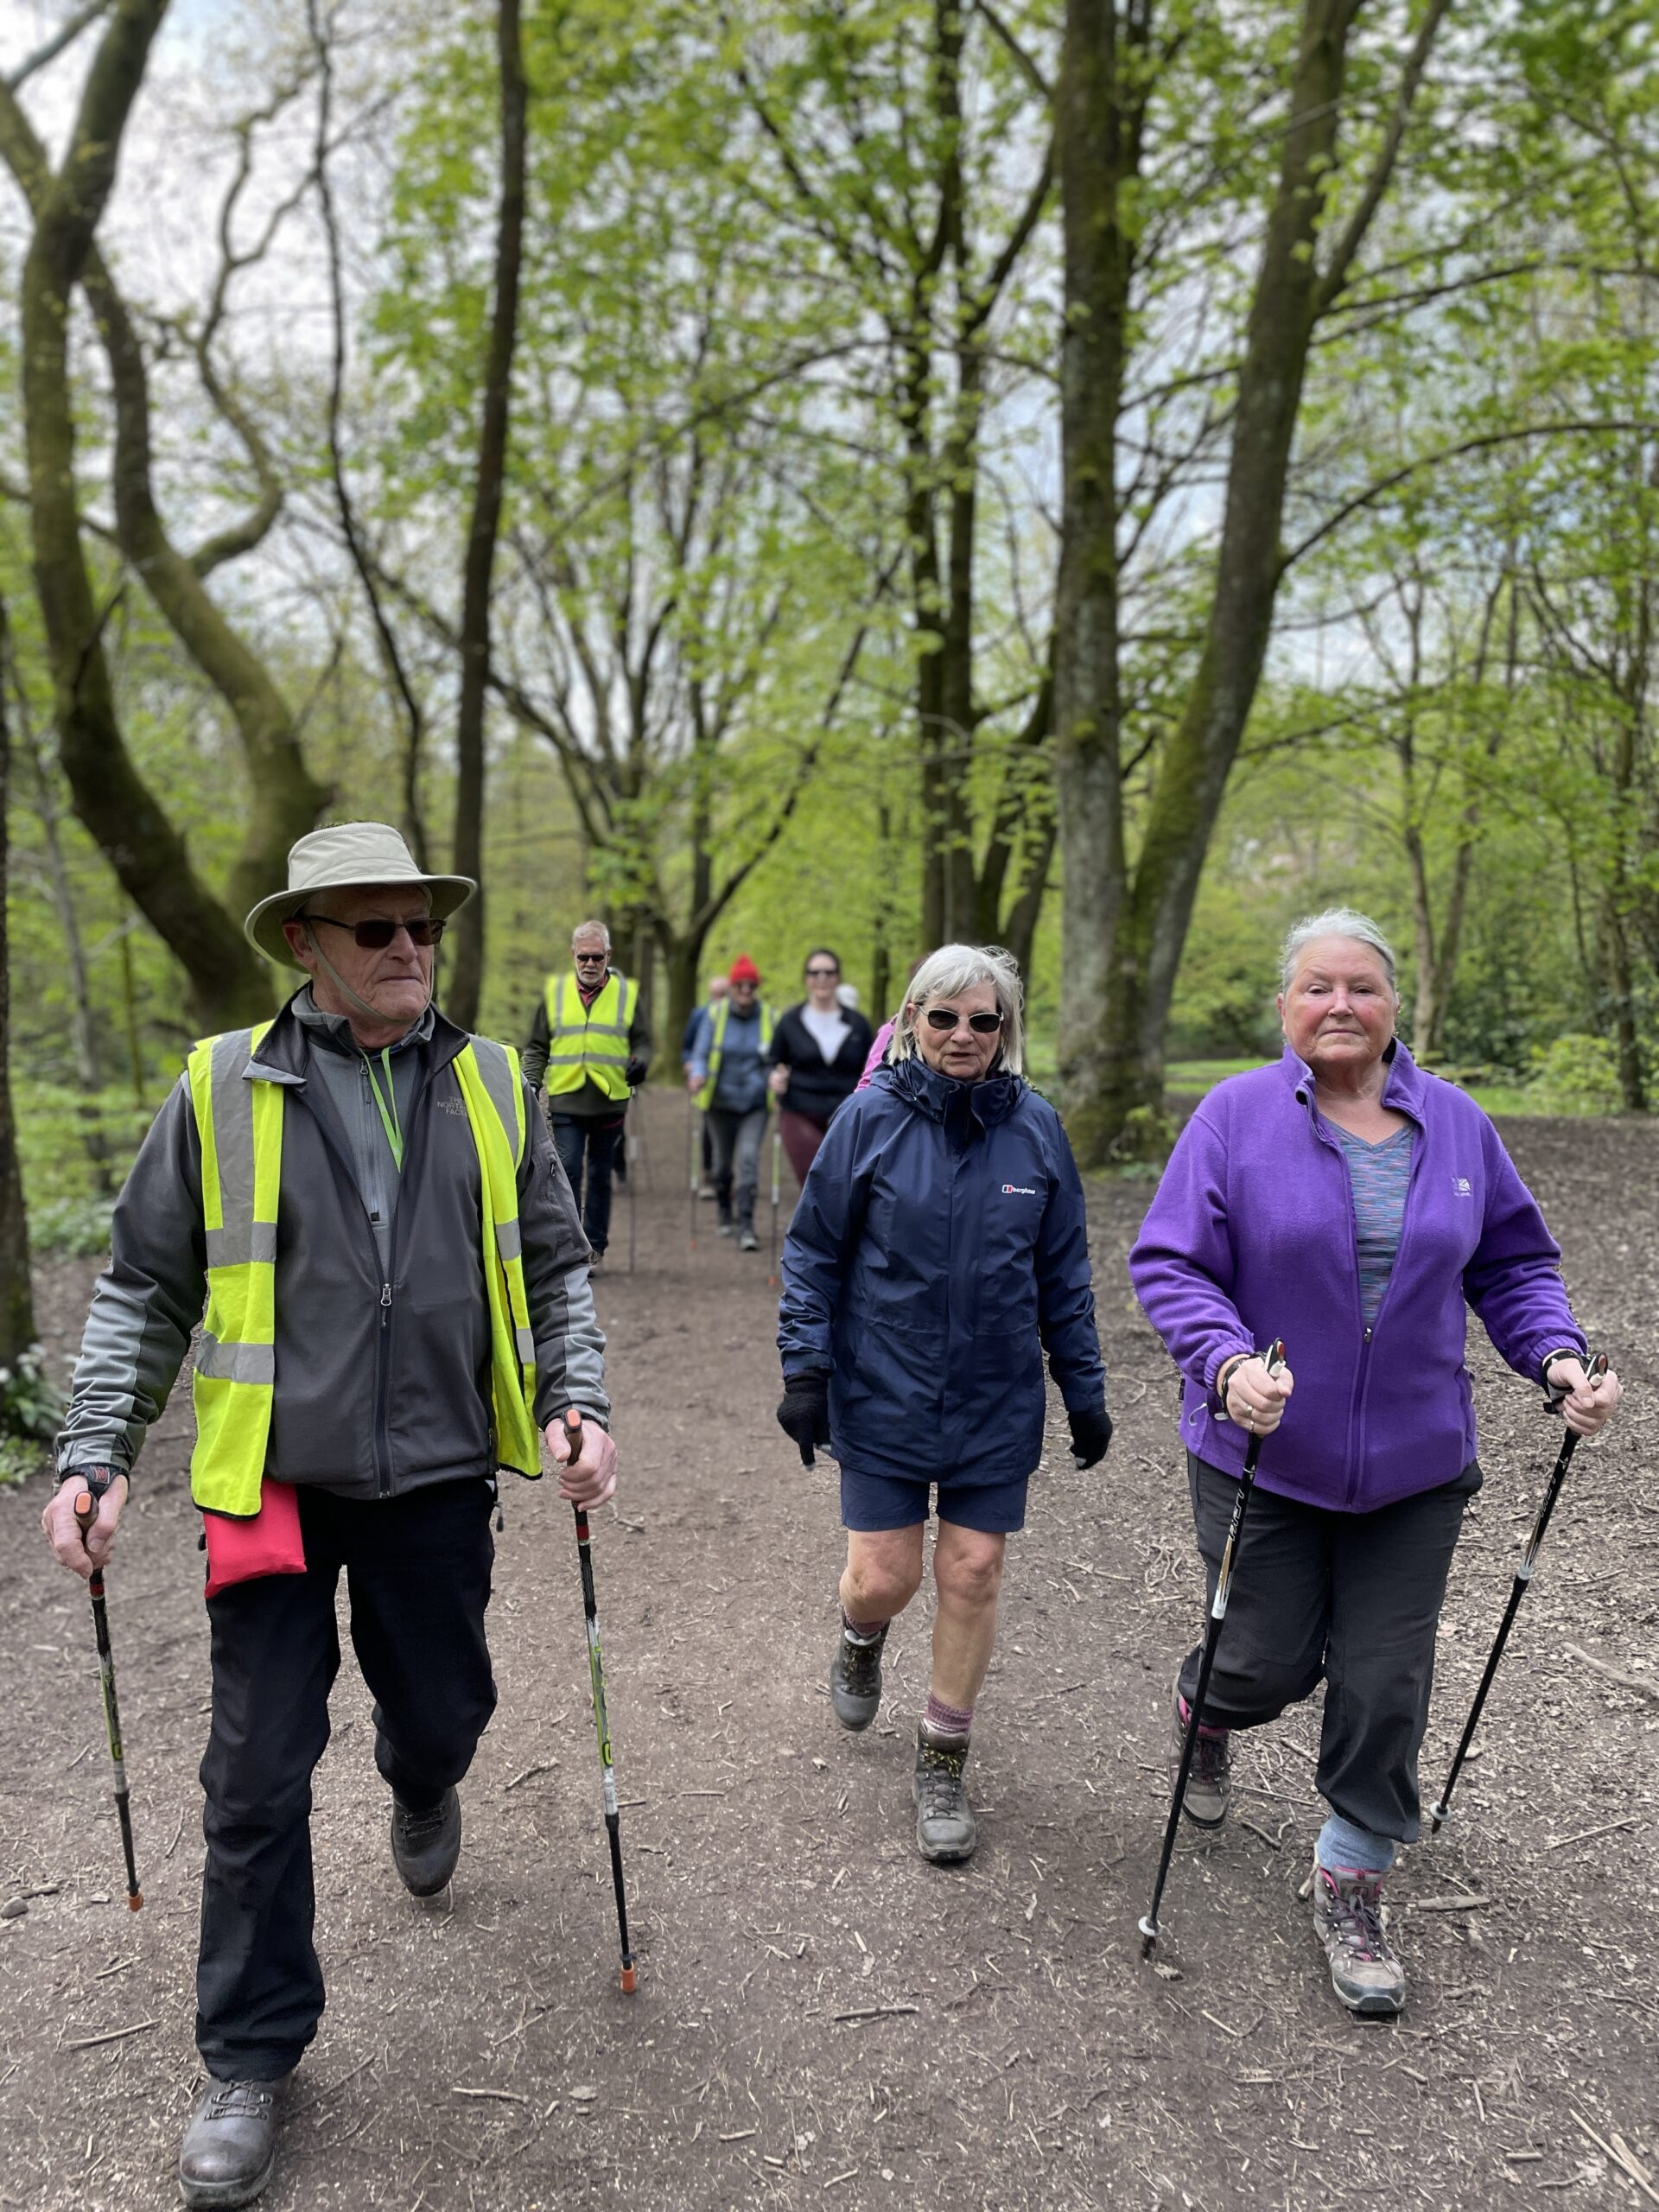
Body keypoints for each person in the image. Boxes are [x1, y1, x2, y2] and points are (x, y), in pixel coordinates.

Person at [41, 823, 619, 2209]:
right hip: (271, 1484)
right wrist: (95, 1451)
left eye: (422, 926)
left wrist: (577, 1396)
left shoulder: (492, 1079)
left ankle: (422, 1778)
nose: (410, 950)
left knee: (444, 1710)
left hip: (433, 1473)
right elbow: (142, 1288)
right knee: (253, 1774)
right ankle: (248, 2055)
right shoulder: (219, 1088)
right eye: (377, 931)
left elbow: (553, 1259)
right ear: (306, 944)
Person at [1128, 906, 1621, 2019]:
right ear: (1285, 1005)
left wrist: (1555, 1358)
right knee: (1260, 1659)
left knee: (1384, 1675)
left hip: (1415, 1464)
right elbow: (1169, 1261)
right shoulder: (1234, 1116)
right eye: (1317, 987)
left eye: (1362, 987)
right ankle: (1205, 1709)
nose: (1340, 1006)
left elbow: (1513, 1266)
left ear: (1398, 1005)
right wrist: (1223, 1363)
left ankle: (1352, 1873)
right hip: (1263, 1449)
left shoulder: (1456, 1127)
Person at [776, 944, 1111, 1866]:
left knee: (970, 1572)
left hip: (993, 1398)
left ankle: (943, 1755)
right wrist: (805, 1370)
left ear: (1005, 1031)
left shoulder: (1036, 1128)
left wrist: (1083, 1389)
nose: (964, 1036)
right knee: (889, 1576)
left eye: (984, 1020)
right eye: (945, 1018)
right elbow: (813, 1253)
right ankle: (859, 1631)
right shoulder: (868, 1118)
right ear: (913, 1019)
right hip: (881, 1385)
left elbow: (1064, 1273)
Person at [522, 920, 652, 1265]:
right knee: (566, 1169)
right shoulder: (554, 993)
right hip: (566, 1097)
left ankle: (595, 1245)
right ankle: (570, 1245)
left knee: (599, 1173)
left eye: (597, 957)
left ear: (608, 955)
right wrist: (530, 1081)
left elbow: (642, 1042)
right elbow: (536, 1046)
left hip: (610, 1099)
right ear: (573, 955)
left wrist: (641, 1063)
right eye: (584, 957)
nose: (590, 964)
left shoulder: (627, 994)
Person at [686, 956, 776, 1251]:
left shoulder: (769, 1018)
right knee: (723, 1163)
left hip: (754, 1103)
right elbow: (700, 1052)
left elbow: (777, 1058)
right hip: (720, 1102)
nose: (746, 990)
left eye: (751, 985)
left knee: (749, 1159)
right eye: (741, 985)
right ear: (733, 986)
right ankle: (725, 1211)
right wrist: (697, 1073)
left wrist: (778, 1076)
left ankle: (747, 1224)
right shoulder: (715, 1015)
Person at [767, 949, 874, 1184]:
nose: (822, 978)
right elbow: (772, 1061)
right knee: (815, 1178)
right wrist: (774, 1076)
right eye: (815, 973)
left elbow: (873, 1067)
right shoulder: (790, 1021)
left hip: (846, 1114)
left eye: (829, 972)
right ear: (806, 978)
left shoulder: (858, 1024)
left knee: (845, 1182)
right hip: (799, 1109)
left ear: (838, 977)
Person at [683, 973, 728, 1196]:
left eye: (724, 994)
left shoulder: (735, 1016)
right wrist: (689, 1063)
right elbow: (687, 1046)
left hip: (730, 1083)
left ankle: (727, 1176)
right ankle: (709, 1174)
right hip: (706, 1084)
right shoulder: (700, 1015)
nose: (719, 999)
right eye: (716, 994)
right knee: (709, 1132)